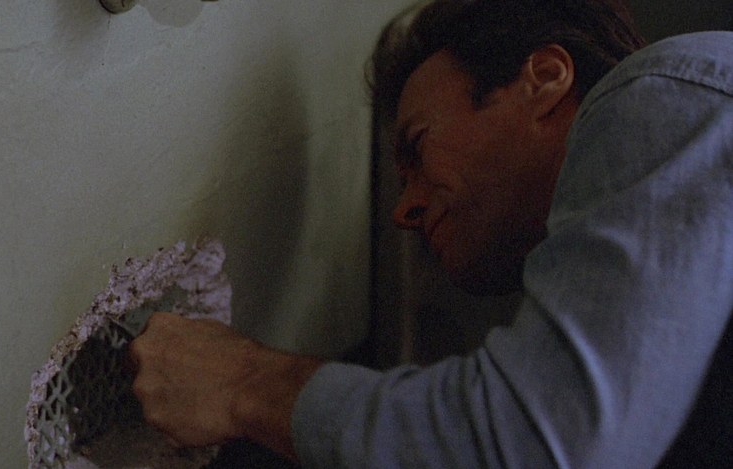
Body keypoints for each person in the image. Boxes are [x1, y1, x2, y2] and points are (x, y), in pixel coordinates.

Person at [128, 0, 733, 466]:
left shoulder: (665, 93)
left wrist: (244, 383)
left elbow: (533, 445)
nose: (404, 211)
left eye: (418, 147)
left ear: (545, 77)